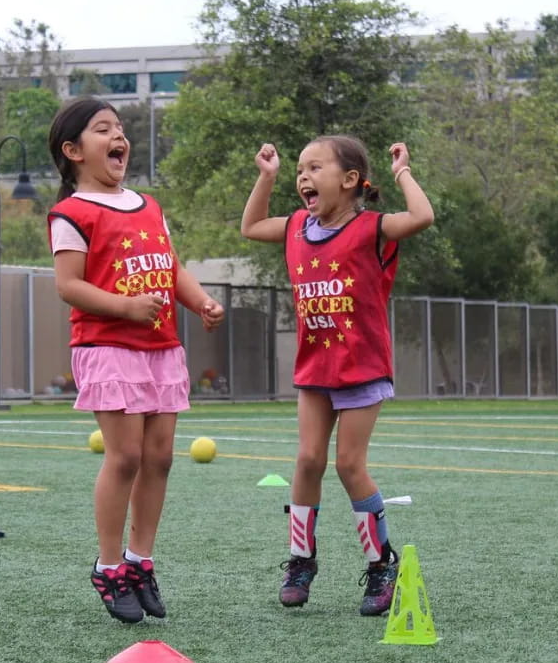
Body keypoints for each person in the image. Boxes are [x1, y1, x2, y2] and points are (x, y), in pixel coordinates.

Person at [46, 96, 225, 624]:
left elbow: (170, 268)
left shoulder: (148, 205)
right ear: (74, 151)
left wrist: (200, 301)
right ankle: (108, 568)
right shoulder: (70, 212)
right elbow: (68, 285)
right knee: (123, 458)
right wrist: (125, 307)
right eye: (104, 130)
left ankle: (140, 561)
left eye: (120, 129)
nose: (118, 137)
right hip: (107, 348)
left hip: (162, 348)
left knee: (161, 458)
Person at [240, 135, 434, 615]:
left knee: (350, 465)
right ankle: (301, 561)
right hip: (316, 369)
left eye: (315, 168)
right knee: (307, 460)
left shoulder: (372, 229)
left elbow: (423, 217)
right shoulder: (296, 228)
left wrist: (403, 173)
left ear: (350, 181)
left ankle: (380, 565)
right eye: (300, 170)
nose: (303, 177)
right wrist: (266, 176)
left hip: (362, 368)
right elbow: (251, 226)